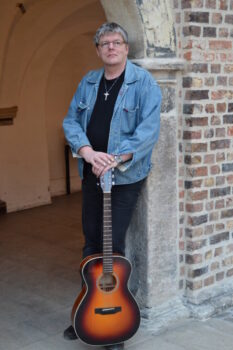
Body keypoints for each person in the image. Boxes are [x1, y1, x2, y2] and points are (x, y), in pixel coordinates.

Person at [63, 22, 162, 350]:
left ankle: (112, 323)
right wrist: (88, 152)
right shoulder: (88, 82)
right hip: (92, 172)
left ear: (125, 48)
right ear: (98, 49)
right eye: (104, 43)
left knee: (112, 245)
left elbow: (148, 130)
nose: (110, 47)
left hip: (125, 176)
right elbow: (71, 121)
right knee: (91, 241)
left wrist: (114, 158)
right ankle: (85, 312)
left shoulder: (143, 82)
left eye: (116, 42)